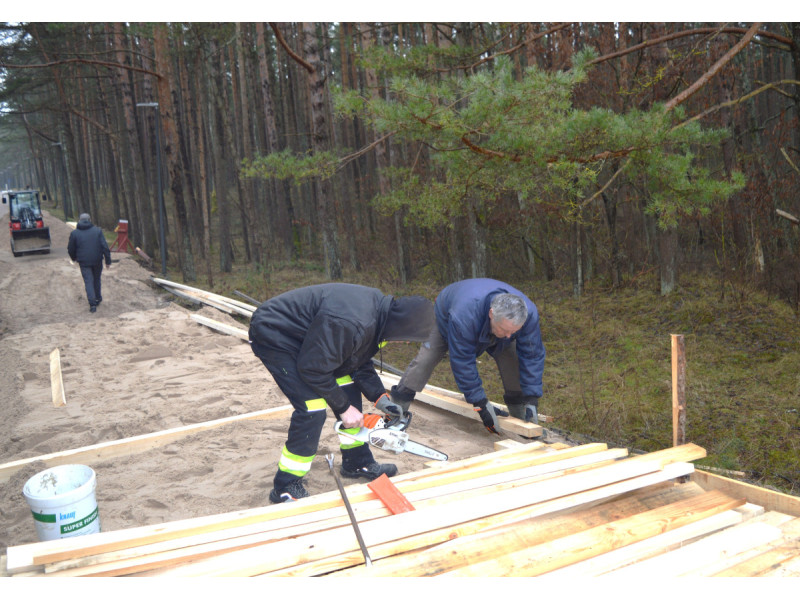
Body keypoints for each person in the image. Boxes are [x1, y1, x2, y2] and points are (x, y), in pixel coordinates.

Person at [248, 283, 434, 503]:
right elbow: (312, 368)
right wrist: (344, 408)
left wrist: (380, 398)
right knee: (312, 407)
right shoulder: (352, 323)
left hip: (312, 340)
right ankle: (285, 486)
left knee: (348, 384)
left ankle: (356, 461)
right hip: (276, 333)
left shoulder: (380, 317)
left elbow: (356, 362)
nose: (406, 342)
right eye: (409, 337)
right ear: (404, 326)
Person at [378, 278, 545, 434]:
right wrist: (480, 403)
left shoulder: (528, 315)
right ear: (491, 313)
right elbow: (463, 361)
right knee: (426, 358)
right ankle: (397, 408)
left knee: (512, 358)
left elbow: (532, 355)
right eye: (504, 330)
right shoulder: (463, 316)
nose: (509, 335)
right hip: (446, 317)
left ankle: (521, 415)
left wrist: (531, 398)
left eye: (513, 331)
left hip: (481, 318)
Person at [68, 213, 111, 313]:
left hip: (84, 261)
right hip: (97, 260)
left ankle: (92, 304)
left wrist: (74, 258)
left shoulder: (75, 233)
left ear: (79, 221)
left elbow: (70, 248)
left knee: (88, 281)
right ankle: (98, 298)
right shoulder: (97, 231)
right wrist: (108, 261)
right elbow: (105, 247)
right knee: (96, 279)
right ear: (90, 220)